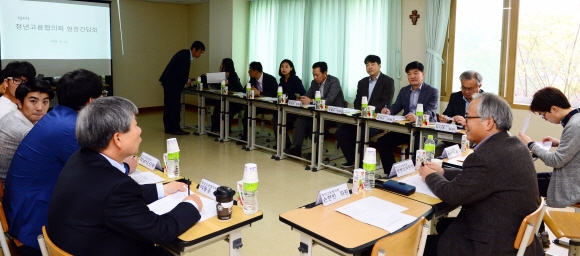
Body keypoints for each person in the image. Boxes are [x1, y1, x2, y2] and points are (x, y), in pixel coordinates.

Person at [48, 96, 203, 255]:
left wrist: (162, 190)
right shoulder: (116, 186)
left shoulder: (80, 158)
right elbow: (160, 231)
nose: (140, 130)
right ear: (118, 138)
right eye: (135, 125)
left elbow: (112, 198)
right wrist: (190, 205)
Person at [419, 93, 543, 256]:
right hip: (510, 234)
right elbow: (477, 178)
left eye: (468, 117)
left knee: (417, 244)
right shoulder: (515, 145)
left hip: (492, 245)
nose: (465, 122)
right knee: (444, 226)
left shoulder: (487, 156)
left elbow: (452, 194)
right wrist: (442, 171)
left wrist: (428, 175)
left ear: (489, 123)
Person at [3, 69, 104, 255]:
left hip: (24, 206)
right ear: (92, 101)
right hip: (35, 223)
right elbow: (97, 175)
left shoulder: (58, 116)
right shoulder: (71, 128)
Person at [517, 87, 580, 207]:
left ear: (554, 109)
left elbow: (556, 161)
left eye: (543, 115)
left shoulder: (575, 125)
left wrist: (531, 144)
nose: (545, 119)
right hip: (569, 177)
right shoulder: (576, 118)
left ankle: (535, 224)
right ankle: (536, 223)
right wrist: (559, 143)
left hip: (572, 185)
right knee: (526, 180)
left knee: (522, 187)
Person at [375, 61, 438, 172]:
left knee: (417, 147)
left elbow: (431, 111)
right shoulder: (404, 90)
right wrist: (388, 111)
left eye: (415, 73)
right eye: (409, 74)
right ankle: (392, 173)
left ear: (423, 74)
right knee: (382, 142)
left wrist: (417, 117)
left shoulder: (432, 91)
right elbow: (396, 106)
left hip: (424, 129)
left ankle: (417, 175)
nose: (412, 76)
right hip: (407, 128)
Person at [335, 55, 394, 168]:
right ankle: (353, 160)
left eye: (373, 64)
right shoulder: (362, 82)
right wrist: (361, 111)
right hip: (361, 119)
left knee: (361, 133)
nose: (369, 67)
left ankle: (362, 164)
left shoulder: (387, 81)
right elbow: (357, 101)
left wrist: (369, 110)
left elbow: (386, 102)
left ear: (379, 66)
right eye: (367, 65)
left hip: (376, 121)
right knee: (341, 132)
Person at [284, 62, 346, 157]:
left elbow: (329, 100)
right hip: (319, 114)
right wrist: (302, 98)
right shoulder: (314, 83)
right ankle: (297, 149)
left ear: (325, 73)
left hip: (333, 115)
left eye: (317, 75)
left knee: (317, 124)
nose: (315, 77)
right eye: (313, 75)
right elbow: (307, 95)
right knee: (300, 120)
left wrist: (311, 101)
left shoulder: (334, 81)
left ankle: (316, 155)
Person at [0, 80, 54, 183]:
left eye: (45, 102)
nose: (40, 108)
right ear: (19, 103)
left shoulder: (12, 116)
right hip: (11, 186)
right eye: (33, 101)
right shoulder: (25, 131)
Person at [159, 41, 205, 135]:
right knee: (174, 106)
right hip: (171, 83)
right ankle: (175, 128)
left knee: (169, 106)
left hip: (169, 82)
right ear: (194, 49)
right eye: (200, 52)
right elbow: (179, 72)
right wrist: (186, 80)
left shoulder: (184, 54)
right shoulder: (185, 55)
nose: (200, 54)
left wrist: (185, 79)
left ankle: (169, 127)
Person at [435, 70, 483, 156]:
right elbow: (448, 115)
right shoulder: (455, 97)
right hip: (455, 140)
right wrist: (444, 119)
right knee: (436, 151)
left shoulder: (486, 100)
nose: (466, 91)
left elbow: (486, 125)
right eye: (463, 87)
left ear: (479, 86)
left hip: (476, 142)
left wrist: (467, 123)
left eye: (470, 89)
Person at [238, 61, 278, 144]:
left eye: (250, 69)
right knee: (247, 112)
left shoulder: (271, 79)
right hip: (258, 105)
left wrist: (259, 93)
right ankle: (246, 136)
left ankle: (279, 141)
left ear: (255, 71)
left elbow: (274, 94)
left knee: (277, 115)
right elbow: (243, 91)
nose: (248, 71)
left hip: (270, 106)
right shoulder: (252, 79)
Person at [271, 59, 306, 149]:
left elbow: (303, 93)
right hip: (286, 108)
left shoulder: (295, 79)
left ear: (291, 68)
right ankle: (283, 142)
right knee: (274, 120)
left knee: (279, 120)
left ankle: (286, 143)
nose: (284, 68)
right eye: (282, 66)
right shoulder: (282, 80)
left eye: (286, 67)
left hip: (295, 109)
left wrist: (298, 98)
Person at [210, 58, 244, 135]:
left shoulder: (234, 75)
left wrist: (228, 83)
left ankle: (224, 130)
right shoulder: (221, 75)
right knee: (218, 106)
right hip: (225, 99)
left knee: (226, 108)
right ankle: (215, 129)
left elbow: (236, 89)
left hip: (234, 100)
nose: (220, 65)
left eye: (222, 64)